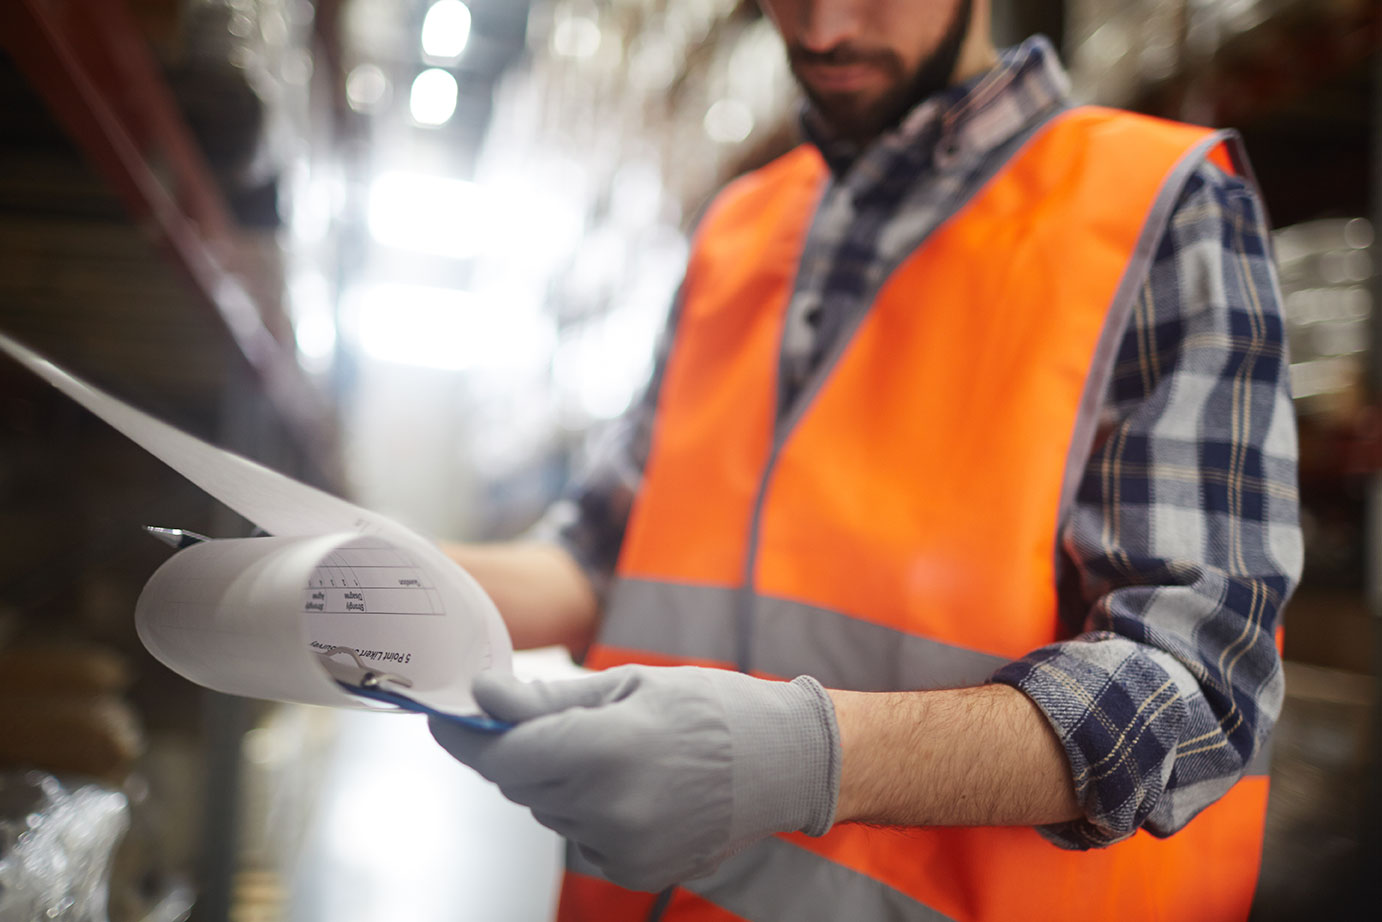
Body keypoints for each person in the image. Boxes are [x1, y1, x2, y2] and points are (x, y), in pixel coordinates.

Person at [431, 1, 1302, 920]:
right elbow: (595, 559)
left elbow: (1196, 689)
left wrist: (807, 757)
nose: (823, 30)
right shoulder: (738, 229)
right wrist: (358, 579)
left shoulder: (1157, 208)